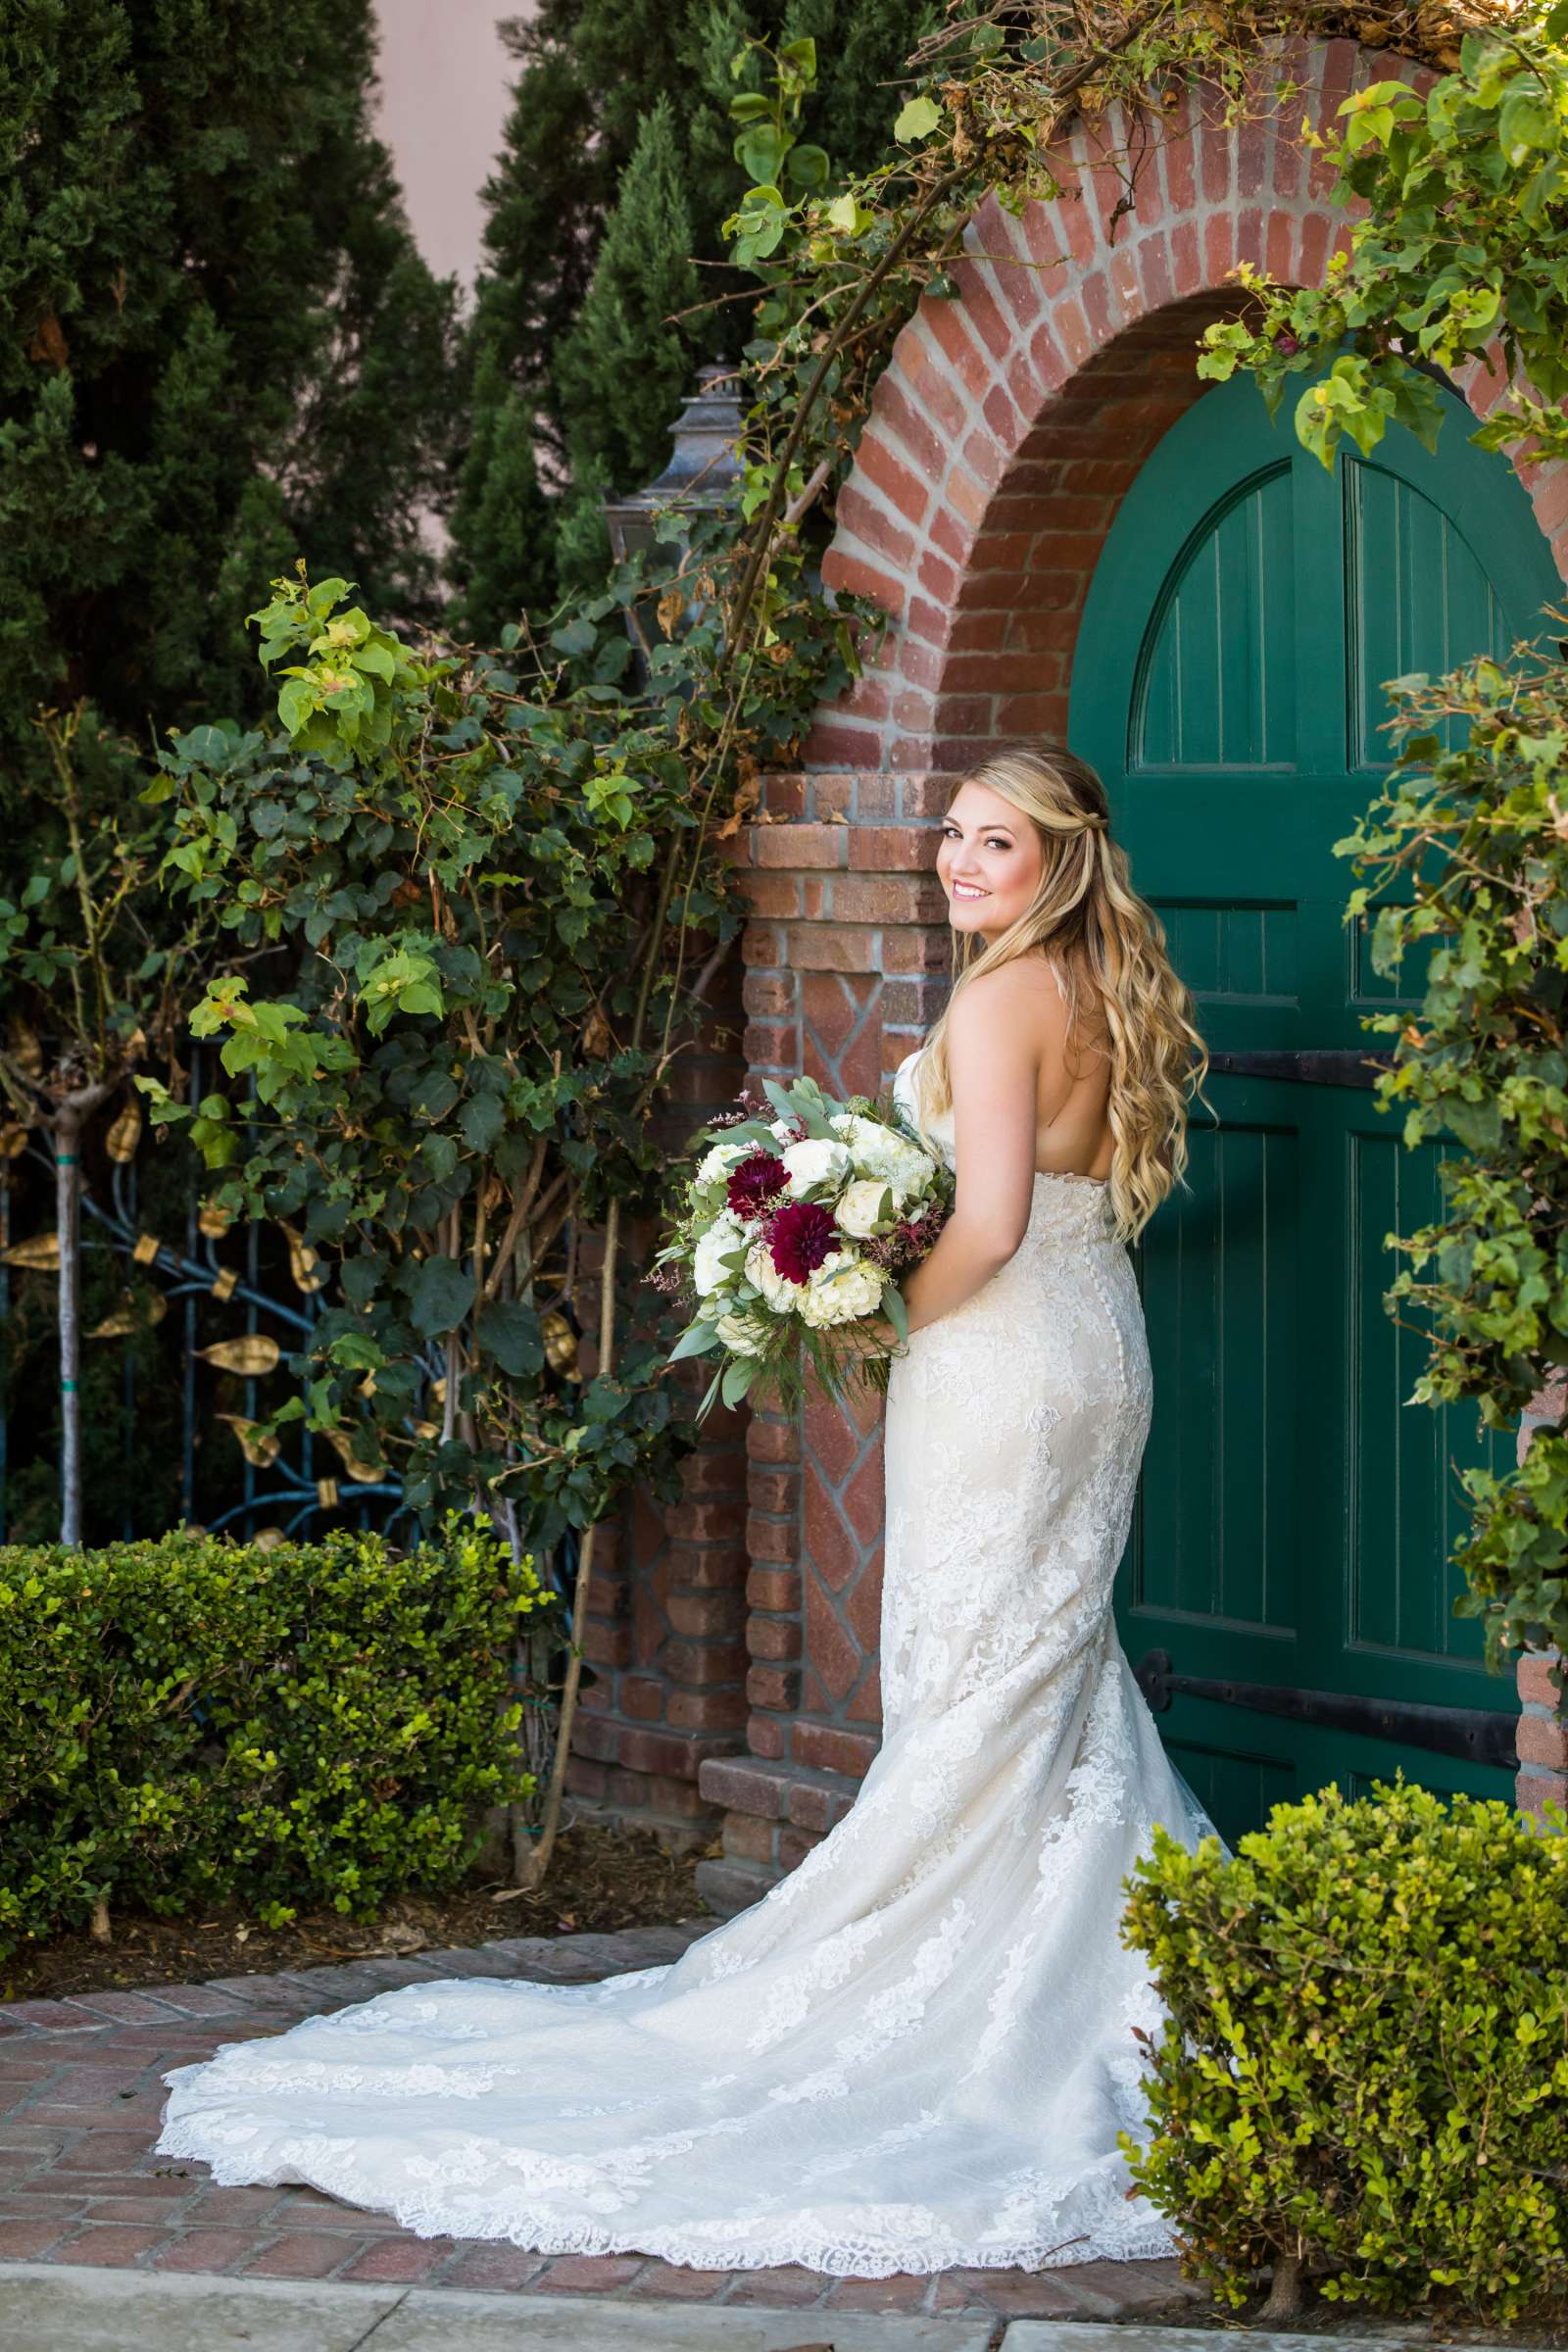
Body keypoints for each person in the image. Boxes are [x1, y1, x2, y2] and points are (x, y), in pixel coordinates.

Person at [157, 742, 1219, 2280]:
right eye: (951, 836)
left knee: (974, 1673)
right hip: (1095, 1347)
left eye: (995, 844)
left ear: (1058, 861)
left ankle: (960, 1993)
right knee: (1039, 1666)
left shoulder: (998, 1002)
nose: (956, 863)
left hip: (999, 1359)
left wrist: (877, 1316)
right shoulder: (1095, 992)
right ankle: (1107, 1973)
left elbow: (983, 1224)